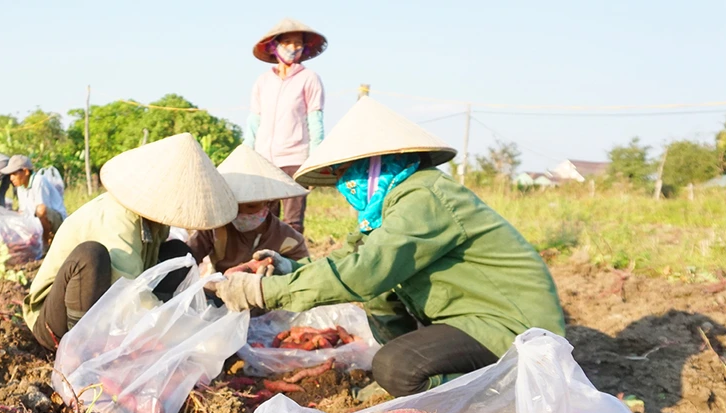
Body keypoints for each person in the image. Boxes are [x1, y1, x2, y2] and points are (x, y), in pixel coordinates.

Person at [213, 97, 566, 397]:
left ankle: (499, 393)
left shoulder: (424, 196)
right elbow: (354, 259)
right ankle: (421, 380)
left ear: (376, 165)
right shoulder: (389, 206)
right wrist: (292, 270)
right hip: (469, 319)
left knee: (395, 366)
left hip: (514, 329)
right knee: (381, 299)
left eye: (349, 172)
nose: (345, 184)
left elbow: (367, 270)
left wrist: (262, 290)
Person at [23, 133, 237, 352]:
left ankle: (138, 338)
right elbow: (129, 292)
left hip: (105, 307)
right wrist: (176, 334)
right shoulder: (118, 217)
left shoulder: (155, 218)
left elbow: (144, 279)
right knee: (91, 256)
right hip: (55, 320)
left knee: (178, 254)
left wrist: (189, 318)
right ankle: (79, 350)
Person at [245, 18, 327, 234]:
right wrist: (248, 154)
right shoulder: (263, 81)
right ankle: (264, 263)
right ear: (274, 46)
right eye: (288, 42)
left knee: (293, 222)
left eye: (298, 43)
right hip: (265, 160)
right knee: (263, 219)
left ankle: (293, 265)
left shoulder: (310, 79)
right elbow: (254, 122)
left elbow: (315, 121)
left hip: (295, 158)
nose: (293, 48)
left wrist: (314, 159)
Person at [189, 144, 309, 274]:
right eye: (235, 206)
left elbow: (306, 271)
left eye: (251, 206)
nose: (242, 213)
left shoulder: (289, 239)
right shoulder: (214, 228)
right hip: (219, 288)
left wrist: (283, 265)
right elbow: (189, 255)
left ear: (268, 203)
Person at [2, 155, 68, 245]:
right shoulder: (20, 188)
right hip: (37, 220)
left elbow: (42, 210)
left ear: (25, 172)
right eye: (10, 175)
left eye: (14, 174)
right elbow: (23, 211)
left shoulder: (39, 181)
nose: (11, 178)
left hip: (57, 222)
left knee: (41, 210)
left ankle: (45, 244)